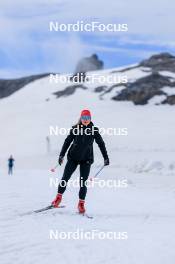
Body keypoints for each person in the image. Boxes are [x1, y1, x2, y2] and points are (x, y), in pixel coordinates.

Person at [51, 109, 109, 214]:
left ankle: (81, 204)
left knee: (83, 182)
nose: (85, 120)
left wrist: (106, 157)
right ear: (81, 118)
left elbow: (101, 143)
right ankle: (58, 198)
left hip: (86, 160)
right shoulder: (75, 129)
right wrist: (61, 155)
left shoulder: (94, 130)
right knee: (65, 178)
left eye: (87, 118)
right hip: (73, 158)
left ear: (90, 119)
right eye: (84, 118)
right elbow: (67, 141)